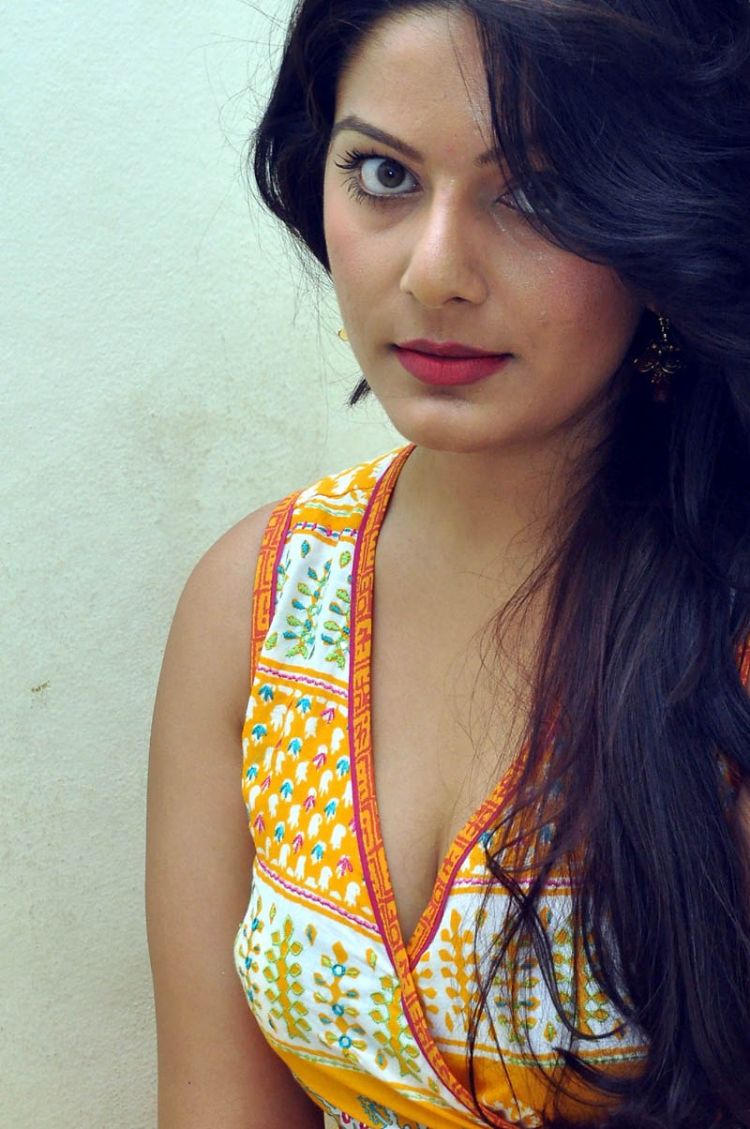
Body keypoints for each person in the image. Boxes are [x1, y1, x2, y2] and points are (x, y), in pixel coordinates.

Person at [145, 1, 750, 1126]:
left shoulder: (725, 632)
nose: (434, 272)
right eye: (384, 174)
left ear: (664, 216)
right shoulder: (259, 602)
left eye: (538, 193)